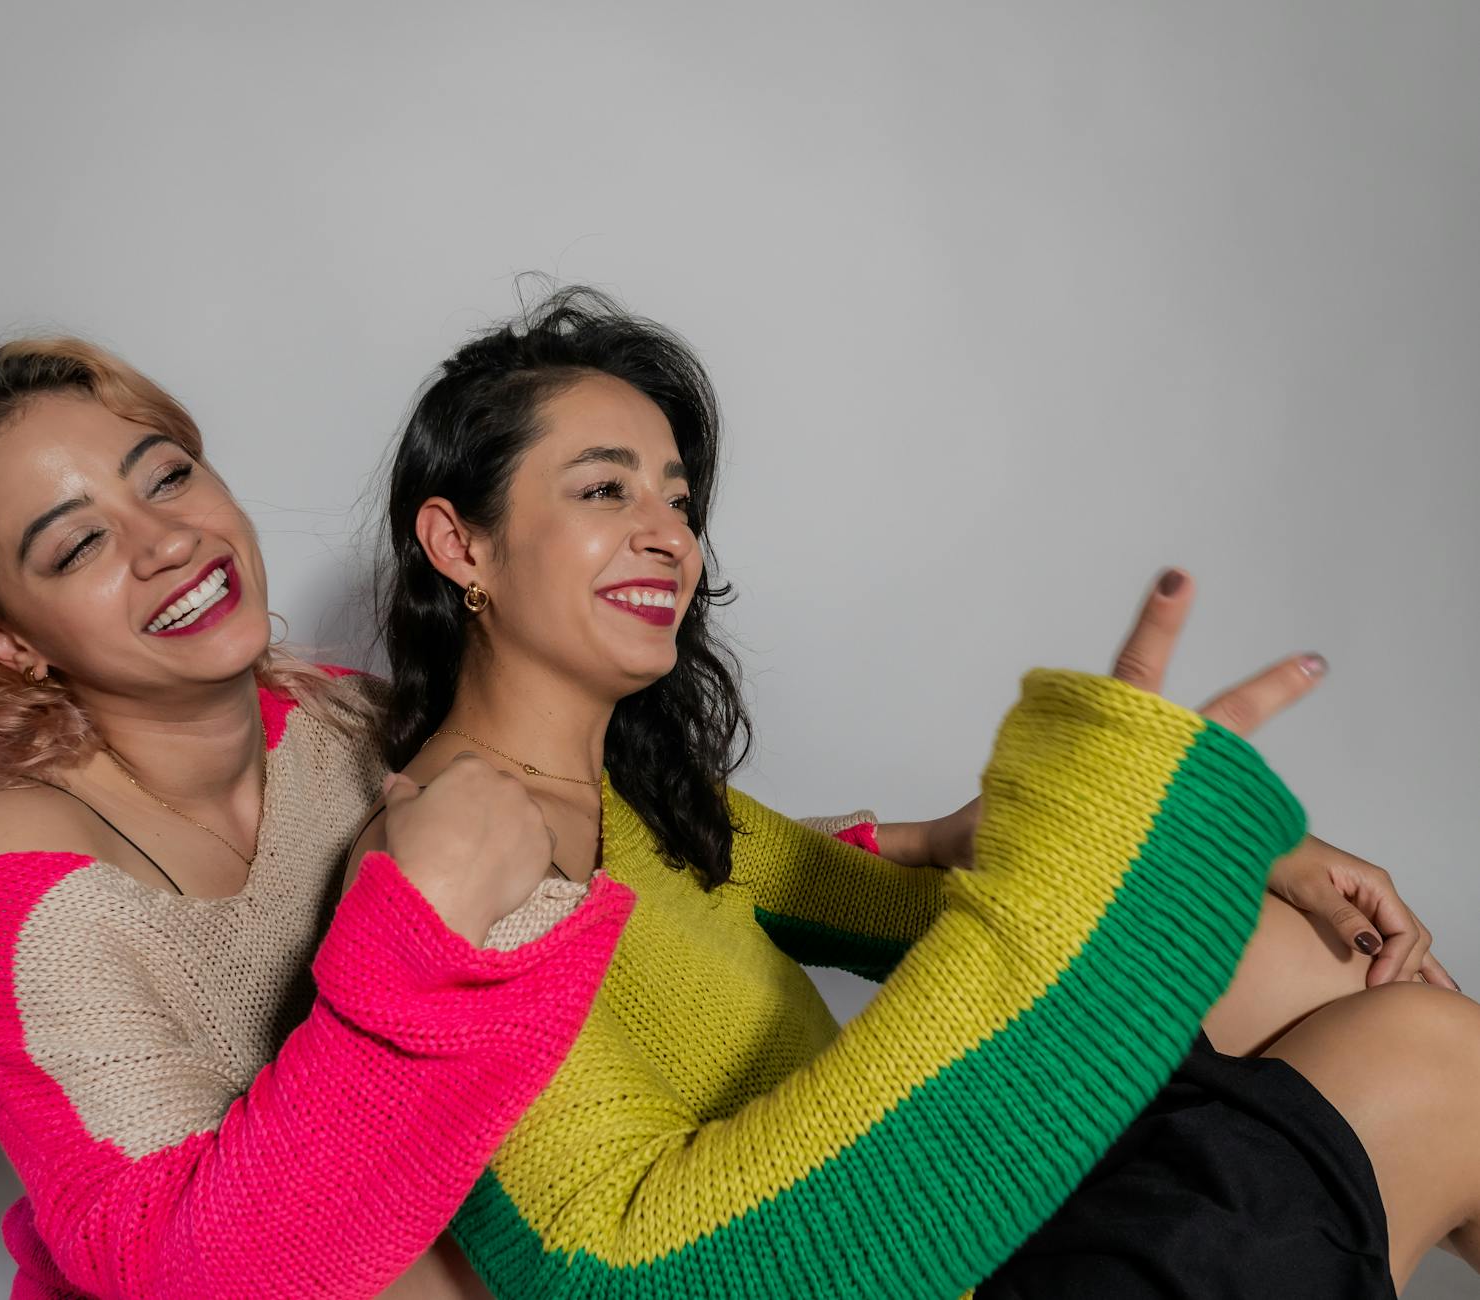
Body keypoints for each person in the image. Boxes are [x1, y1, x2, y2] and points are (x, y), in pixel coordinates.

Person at [353, 287, 1480, 1297]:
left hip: (951, 1240)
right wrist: (1130, 816)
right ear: (459, 544)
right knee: (1435, 1058)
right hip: (850, 1257)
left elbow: (901, 902)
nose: (670, 539)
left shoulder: (645, 804)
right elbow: (613, 1272)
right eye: (606, 489)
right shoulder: (450, 868)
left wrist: (1217, 851)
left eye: (679, 499)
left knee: (1290, 954)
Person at [0, 338, 639, 1299]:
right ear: (6, 640)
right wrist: (416, 934)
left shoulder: (348, 722)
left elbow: (598, 830)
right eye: (79, 545)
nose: (168, 541)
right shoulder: (11, 879)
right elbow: (197, 1275)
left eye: (169, 477)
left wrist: (837, 853)